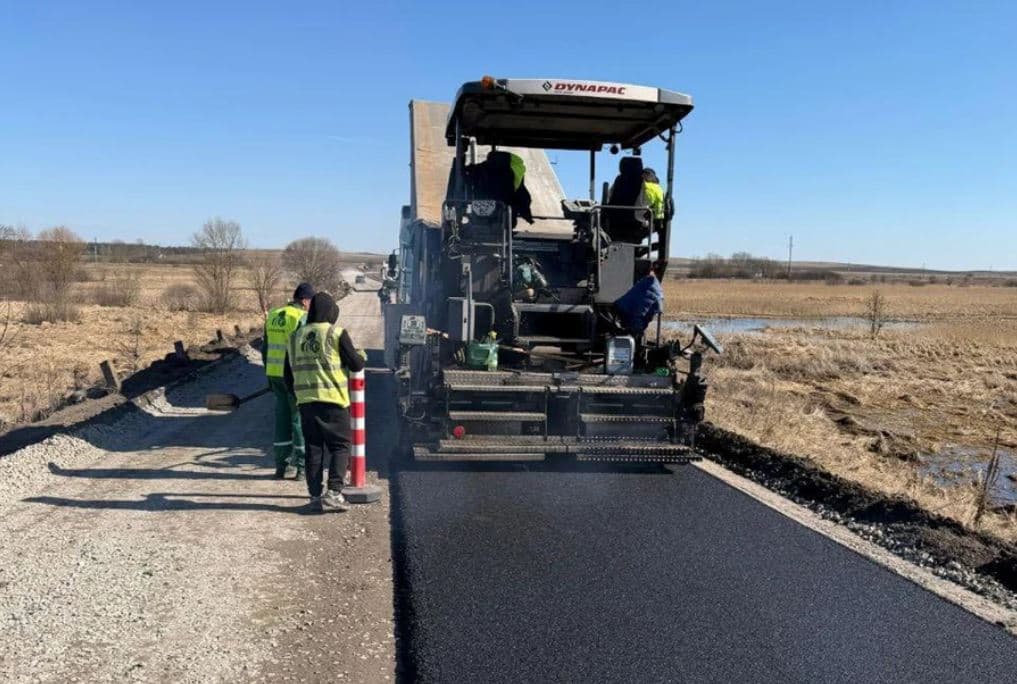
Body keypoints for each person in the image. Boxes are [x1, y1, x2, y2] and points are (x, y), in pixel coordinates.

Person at [284, 292, 366, 513]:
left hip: (306, 403)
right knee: (340, 446)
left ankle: (314, 496)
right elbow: (356, 364)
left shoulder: (294, 337)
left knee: (314, 449)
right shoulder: (336, 333)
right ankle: (334, 493)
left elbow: (287, 375)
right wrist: (360, 355)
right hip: (333, 402)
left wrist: (299, 396)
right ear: (331, 313)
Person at [263, 283, 314, 479]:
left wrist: (268, 376)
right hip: (293, 376)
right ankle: (301, 467)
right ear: (305, 301)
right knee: (298, 419)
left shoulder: (274, 315)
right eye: (311, 302)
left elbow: (266, 349)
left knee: (282, 419)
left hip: (274, 374)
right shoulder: (301, 318)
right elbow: (306, 350)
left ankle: (281, 466)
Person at [613, 263, 664, 336]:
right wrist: (636, 331)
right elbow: (640, 312)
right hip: (625, 310)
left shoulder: (647, 284)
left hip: (622, 308)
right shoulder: (653, 288)